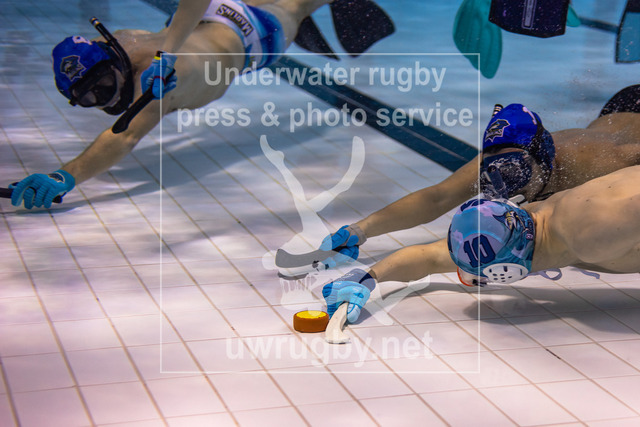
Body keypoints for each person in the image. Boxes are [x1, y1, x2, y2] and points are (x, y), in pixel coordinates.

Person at [7, 0, 393, 209]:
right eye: (90, 98)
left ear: (107, 52)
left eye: (102, 85)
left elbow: (123, 135)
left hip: (236, 24)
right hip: (238, 24)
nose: (103, 98)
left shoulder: (141, 64)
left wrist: (64, 176)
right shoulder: (139, 65)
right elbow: (120, 134)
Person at [319, 86, 640, 268]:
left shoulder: (608, 161)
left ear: (545, 160)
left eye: (513, 171)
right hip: (613, 114)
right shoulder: (499, 157)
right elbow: (437, 197)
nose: (504, 187)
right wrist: (361, 230)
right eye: (493, 174)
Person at [323, 165, 640, 323]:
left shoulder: (591, 237)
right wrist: (365, 278)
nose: (479, 281)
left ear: (508, 270)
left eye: (481, 275)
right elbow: (429, 257)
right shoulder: (531, 219)